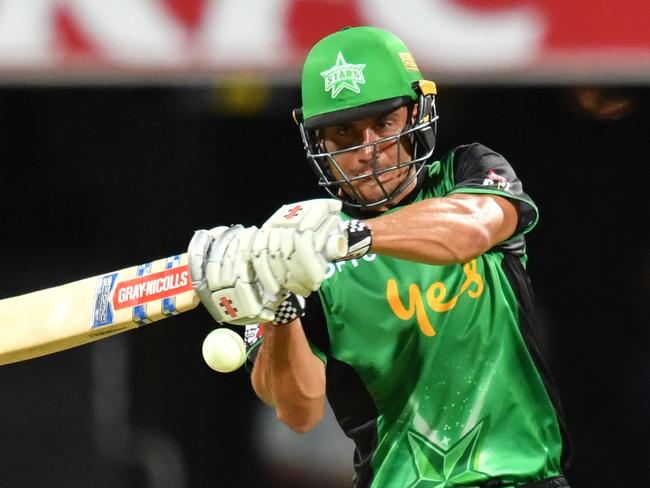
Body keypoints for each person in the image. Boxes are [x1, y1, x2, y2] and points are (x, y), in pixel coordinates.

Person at [188, 26, 572, 488]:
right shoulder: (298, 254)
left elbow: (473, 227)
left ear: (415, 115)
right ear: (319, 144)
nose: (367, 150)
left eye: (384, 124)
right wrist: (280, 306)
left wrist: (348, 238)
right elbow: (297, 411)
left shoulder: (465, 171)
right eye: (344, 132)